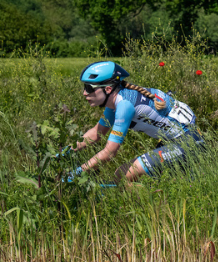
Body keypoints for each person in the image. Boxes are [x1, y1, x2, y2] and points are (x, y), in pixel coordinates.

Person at [68, 61, 204, 184]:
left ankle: (155, 206)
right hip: (174, 140)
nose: (84, 93)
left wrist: (77, 173)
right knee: (123, 176)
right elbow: (96, 134)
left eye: (89, 88)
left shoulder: (124, 106)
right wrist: (64, 153)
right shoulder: (115, 102)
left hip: (189, 141)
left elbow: (110, 152)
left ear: (108, 89)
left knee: (122, 176)